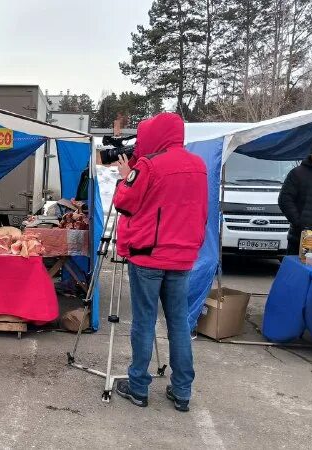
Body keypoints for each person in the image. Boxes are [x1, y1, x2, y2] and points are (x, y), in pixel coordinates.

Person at [111, 112, 208, 413]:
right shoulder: (199, 166)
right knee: (179, 323)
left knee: (144, 321)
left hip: (148, 255)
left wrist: (125, 176)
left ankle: (138, 387)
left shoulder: (148, 166)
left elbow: (124, 202)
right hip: (182, 257)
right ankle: (182, 391)